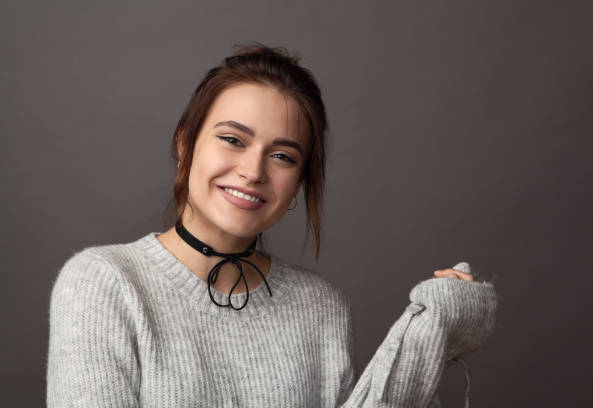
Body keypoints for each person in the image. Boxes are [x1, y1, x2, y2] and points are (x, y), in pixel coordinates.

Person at [46, 44, 497, 407]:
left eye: (282, 156)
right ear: (185, 143)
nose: (252, 171)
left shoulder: (322, 308)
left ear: (298, 183)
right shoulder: (104, 284)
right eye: (232, 140)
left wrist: (429, 333)